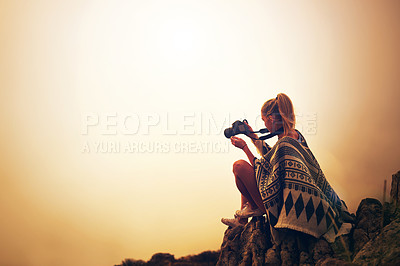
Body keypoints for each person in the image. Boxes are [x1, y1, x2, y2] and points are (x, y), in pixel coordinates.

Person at [221, 93, 353, 244]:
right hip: (300, 201)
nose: (264, 126)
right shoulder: (295, 136)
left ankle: (251, 210)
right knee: (246, 167)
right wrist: (252, 135)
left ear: (271, 118)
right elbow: (271, 157)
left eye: (264, 121)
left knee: (239, 166)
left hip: (282, 206)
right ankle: (244, 216)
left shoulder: (285, 143)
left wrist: (245, 147)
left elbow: (264, 169)